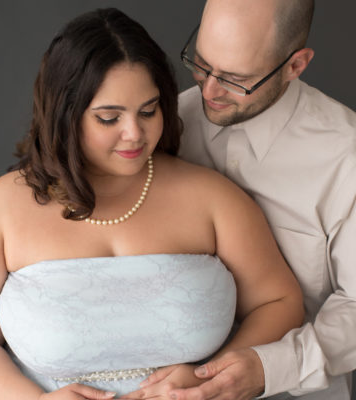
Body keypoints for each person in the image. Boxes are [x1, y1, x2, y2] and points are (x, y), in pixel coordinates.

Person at [0, 7, 304, 400]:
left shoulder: (213, 199)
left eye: (148, 111)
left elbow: (281, 301)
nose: (135, 134)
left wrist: (209, 376)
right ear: (65, 115)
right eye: (109, 118)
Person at [133, 0, 356, 399]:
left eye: (236, 78)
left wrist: (271, 369)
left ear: (296, 65)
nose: (209, 89)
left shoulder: (346, 156)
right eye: (200, 63)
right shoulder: (162, 127)